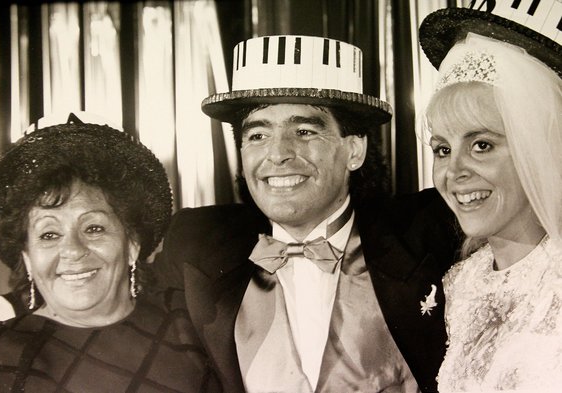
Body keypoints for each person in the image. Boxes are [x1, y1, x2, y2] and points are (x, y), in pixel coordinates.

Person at [153, 35, 459, 392]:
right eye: (257, 136)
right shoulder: (195, 242)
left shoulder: (432, 226)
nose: (278, 154)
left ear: (354, 150)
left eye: (304, 131)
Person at [0, 114, 216, 392]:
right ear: (26, 256)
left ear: (132, 243)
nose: (72, 250)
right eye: (49, 235)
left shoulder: (190, 321)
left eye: (94, 228)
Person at [420, 0, 562, 390]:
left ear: (541, 150)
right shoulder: (463, 282)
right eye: (442, 149)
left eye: (481, 144)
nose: (454, 172)